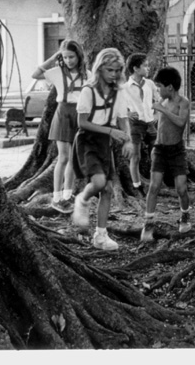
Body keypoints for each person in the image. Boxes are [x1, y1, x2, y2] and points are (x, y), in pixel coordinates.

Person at [71, 48, 134, 250]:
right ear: (99, 69)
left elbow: (123, 119)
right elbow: (82, 123)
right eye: (110, 70)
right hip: (88, 141)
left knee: (107, 189)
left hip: (105, 143)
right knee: (98, 182)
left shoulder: (119, 92)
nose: (114, 75)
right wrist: (111, 132)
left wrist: (128, 140)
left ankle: (100, 235)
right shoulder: (88, 91)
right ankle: (82, 199)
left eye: (117, 70)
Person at [32, 39, 87, 213]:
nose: (69, 60)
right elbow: (36, 74)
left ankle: (67, 195)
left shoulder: (87, 74)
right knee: (63, 156)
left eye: (72, 57)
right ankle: (56, 196)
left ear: (78, 56)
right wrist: (54, 56)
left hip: (79, 114)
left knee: (74, 158)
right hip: (63, 113)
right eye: (65, 57)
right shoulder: (56, 72)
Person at [140, 66, 192, 241]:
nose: (157, 90)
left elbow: (180, 122)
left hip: (177, 150)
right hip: (160, 149)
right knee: (154, 186)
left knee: (181, 188)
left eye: (159, 86)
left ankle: (185, 216)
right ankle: (148, 222)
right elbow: (155, 121)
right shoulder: (161, 102)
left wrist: (162, 110)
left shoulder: (182, 102)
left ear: (170, 87)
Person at [121, 52, 158, 195]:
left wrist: (157, 114)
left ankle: (155, 184)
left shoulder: (150, 84)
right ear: (136, 68)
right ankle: (137, 186)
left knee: (155, 155)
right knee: (135, 156)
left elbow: (159, 100)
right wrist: (128, 113)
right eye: (145, 66)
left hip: (150, 123)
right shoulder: (125, 88)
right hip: (135, 125)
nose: (148, 68)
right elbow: (118, 107)